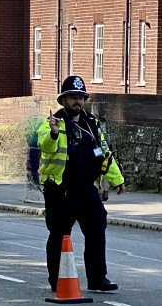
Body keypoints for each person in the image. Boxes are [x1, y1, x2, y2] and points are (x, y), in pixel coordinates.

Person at [37, 75, 125, 293]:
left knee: (97, 229)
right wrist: (55, 134)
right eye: (73, 97)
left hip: (87, 188)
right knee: (59, 235)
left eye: (81, 97)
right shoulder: (52, 122)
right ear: (63, 100)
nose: (78, 101)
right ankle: (57, 280)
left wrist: (116, 179)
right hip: (61, 190)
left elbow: (104, 153)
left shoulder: (91, 123)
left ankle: (97, 278)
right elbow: (45, 146)